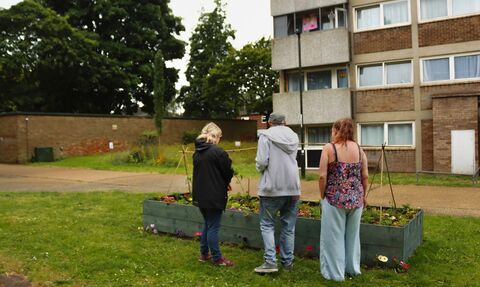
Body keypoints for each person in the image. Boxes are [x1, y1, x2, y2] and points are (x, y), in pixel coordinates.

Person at [318, 118, 369, 281]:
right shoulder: (360, 150)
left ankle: (335, 274)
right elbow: (365, 176)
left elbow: (322, 176)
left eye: (333, 131)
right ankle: (353, 269)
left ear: (336, 131)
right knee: (353, 236)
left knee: (334, 237)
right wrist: (363, 196)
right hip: (356, 200)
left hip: (334, 199)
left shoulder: (329, 148)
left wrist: (322, 194)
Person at [254, 112, 301, 273]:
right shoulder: (294, 137)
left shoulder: (265, 136)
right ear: (285, 122)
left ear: (269, 123)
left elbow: (261, 161)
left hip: (271, 188)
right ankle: (288, 263)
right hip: (293, 187)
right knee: (289, 227)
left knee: (267, 224)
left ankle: (270, 262)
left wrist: (260, 169)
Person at [192, 122, 234, 267]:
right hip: (214, 195)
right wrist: (226, 182)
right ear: (215, 137)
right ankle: (217, 258)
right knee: (213, 227)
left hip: (200, 194)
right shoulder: (219, 152)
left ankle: (204, 254)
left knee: (208, 224)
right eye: (220, 137)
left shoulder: (197, 152)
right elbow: (227, 171)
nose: (220, 140)